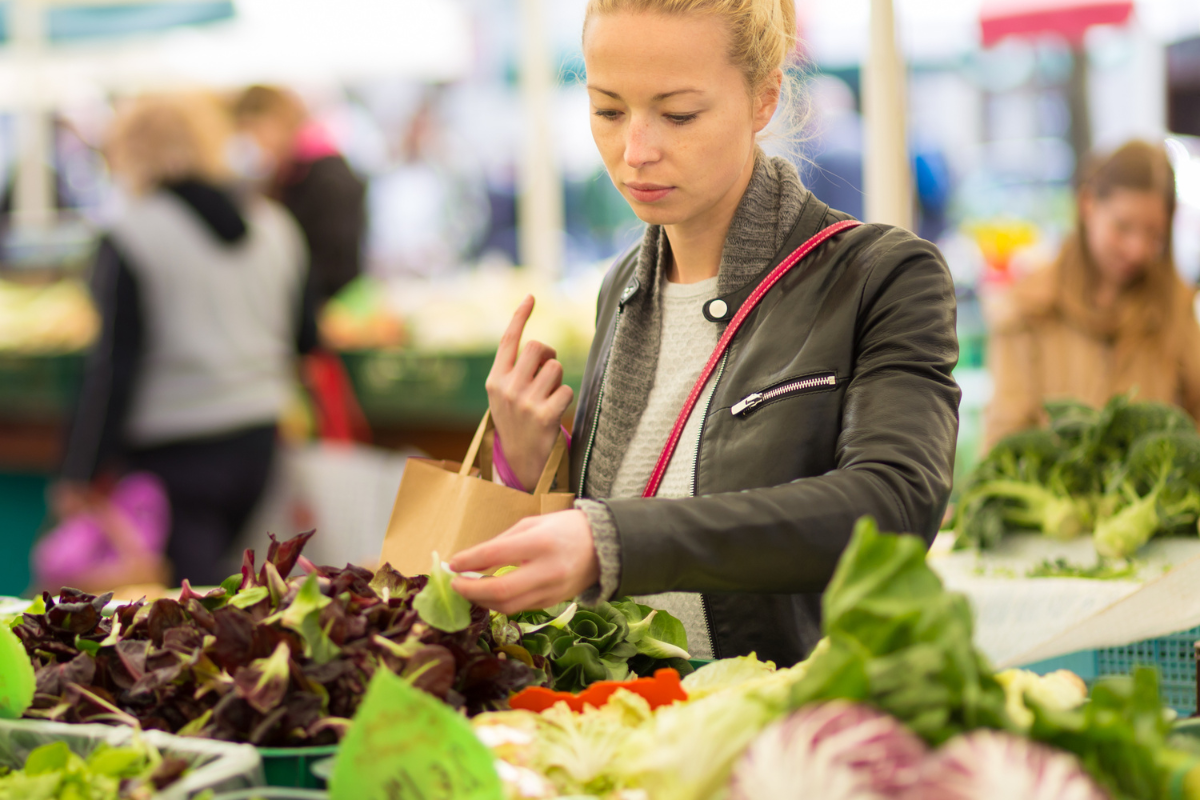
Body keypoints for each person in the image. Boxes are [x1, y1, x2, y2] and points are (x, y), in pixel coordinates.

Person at [447, 0, 959, 667]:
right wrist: (528, 459)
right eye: (608, 111)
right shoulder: (625, 286)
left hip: (786, 727)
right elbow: (619, 518)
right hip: (622, 724)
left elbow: (893, 504)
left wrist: (614, 543)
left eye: (679, 114)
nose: (636, 151)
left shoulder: (880, 276)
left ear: (764, 99)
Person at [56, 93, 317, 586]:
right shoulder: (276, 226)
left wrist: (81, 471)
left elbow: (114, 366)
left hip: (172, 457)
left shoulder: (131, 234)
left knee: (184, 613)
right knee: (245, 596)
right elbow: (306, 339)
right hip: (262, 442)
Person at [984, 140, 1200, 447]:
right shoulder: (1028, 307)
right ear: (1087, 204)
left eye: (1154, 234)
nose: (1137, 249)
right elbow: (1004, 439)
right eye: (1123, 227)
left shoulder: (1176, 305)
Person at [233, 86, 366, 304]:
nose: (253, 143)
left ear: (278, 121)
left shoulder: (324, 177)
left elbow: (335, 264)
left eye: (254, 130)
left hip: (329, 308)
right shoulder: (288, 174)